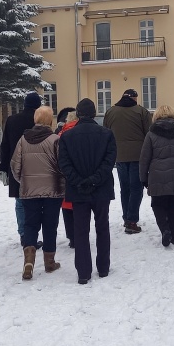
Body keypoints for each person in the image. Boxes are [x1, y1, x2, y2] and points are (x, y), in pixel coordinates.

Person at [58, 98, 117, 284]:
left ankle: (83, 272)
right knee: (102, 227)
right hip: (101, 188)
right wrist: (93, 181)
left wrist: (79, 182)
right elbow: (109, 163)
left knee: (81, 231)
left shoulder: (67, 136)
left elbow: (64, 165)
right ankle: (103, 267)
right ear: (94, 113)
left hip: (78, 190)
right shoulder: (106, 134)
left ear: (78, 113)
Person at [11, 106, 64, 280]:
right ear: (50, 121)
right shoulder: (55, 139)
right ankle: (49, 262)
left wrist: (24, 180)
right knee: (50, 225)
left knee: (30, 225)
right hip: (52, 190)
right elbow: (63, 165)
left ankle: (29, 261)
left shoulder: (23, 140)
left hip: (29, 190)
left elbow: (15, 165)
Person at [140, 104, 174, 247]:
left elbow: (144, 158)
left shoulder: (151, 134)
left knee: (157, 204)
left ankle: (165, 230)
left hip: (157, 176)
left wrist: (143, 178)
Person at [103, 88, 151, 234]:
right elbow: (149, 133)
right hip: (138, 156)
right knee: (136, 188)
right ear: (134, 98)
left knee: (125, 188)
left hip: (119, 156)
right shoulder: (142, 112)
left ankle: (126, 217)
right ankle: (132, 220)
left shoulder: (110, 112)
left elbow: (106, 132)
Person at [0, 92, 42, 245]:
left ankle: (24, 234)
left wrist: (4, 167)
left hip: (16, 165)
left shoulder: (12, 120)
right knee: (36, 202)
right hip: (37, 166)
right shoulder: (39, 120)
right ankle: (33, 233)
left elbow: (5, 145)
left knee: (20, 201)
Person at [56, 111, 79, 248]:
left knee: (66, 208)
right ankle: (80, 234)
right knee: (80, 208)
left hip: (64, 177)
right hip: (80, 176)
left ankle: (71, 236)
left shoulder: (60, 135)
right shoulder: (82, 134)